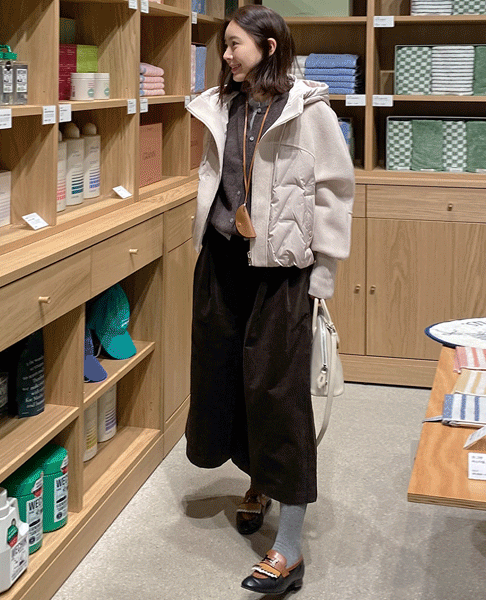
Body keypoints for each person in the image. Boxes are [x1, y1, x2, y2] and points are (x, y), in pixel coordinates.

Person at [185, 4, 355, 594]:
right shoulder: (220, 105)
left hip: (282, 272)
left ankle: (289, 547)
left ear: (270, 46)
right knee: (226, 378)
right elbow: (216, 179)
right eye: (224, 45)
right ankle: (256, 481)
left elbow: (335, 193)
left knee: (279, 394)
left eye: (235, 44)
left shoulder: (309, 112)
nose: (226, 55)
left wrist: (324, 275)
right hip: (222, 262)